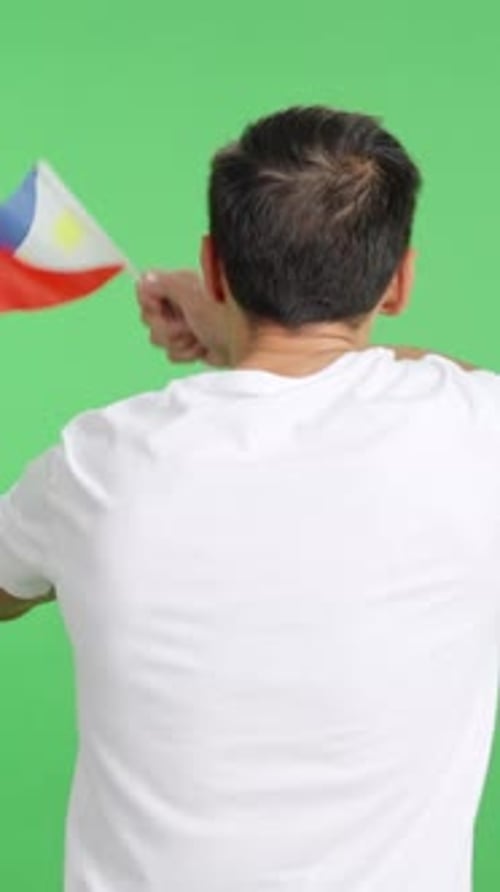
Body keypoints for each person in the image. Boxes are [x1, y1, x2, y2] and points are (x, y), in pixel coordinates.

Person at [0, 106, 497, 892]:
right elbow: (456, 378)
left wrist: (236, 337)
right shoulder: (477, 439)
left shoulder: (98, 461)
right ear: (399, 279)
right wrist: (238, 336)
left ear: (216, 266)